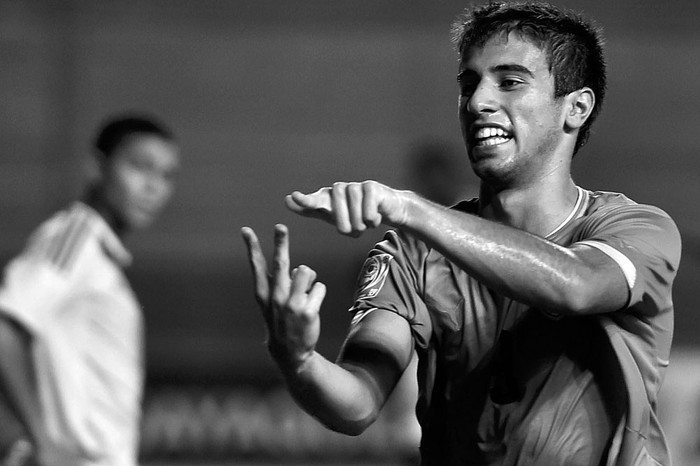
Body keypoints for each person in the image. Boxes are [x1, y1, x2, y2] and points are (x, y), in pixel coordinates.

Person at [242, 1, 682, 465]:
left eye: (509, 82)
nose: (477, 102)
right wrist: (299, 360)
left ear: (575, 108)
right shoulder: (410, 252)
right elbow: (357, 404)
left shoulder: (637, 229)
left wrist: (408, 206)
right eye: (468, 84)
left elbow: (576, 285)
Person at [0, 114, 180, 466]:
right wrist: (43, 441)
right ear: (97, 168)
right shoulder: (77, 236)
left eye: (167, 175)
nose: (153, 186)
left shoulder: (101, 259)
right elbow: (4, 325)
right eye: (140, 167)